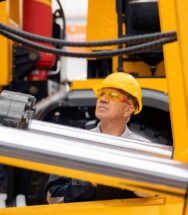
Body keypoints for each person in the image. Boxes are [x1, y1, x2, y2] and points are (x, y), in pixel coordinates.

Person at [45, 72, 151, 204]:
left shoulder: (144, 150)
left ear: (128, 110)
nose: (103, 99)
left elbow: (162, 198)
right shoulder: (75, 145)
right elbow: (53, 198)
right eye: (101, 94)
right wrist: (91, 181)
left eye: (113, 95)